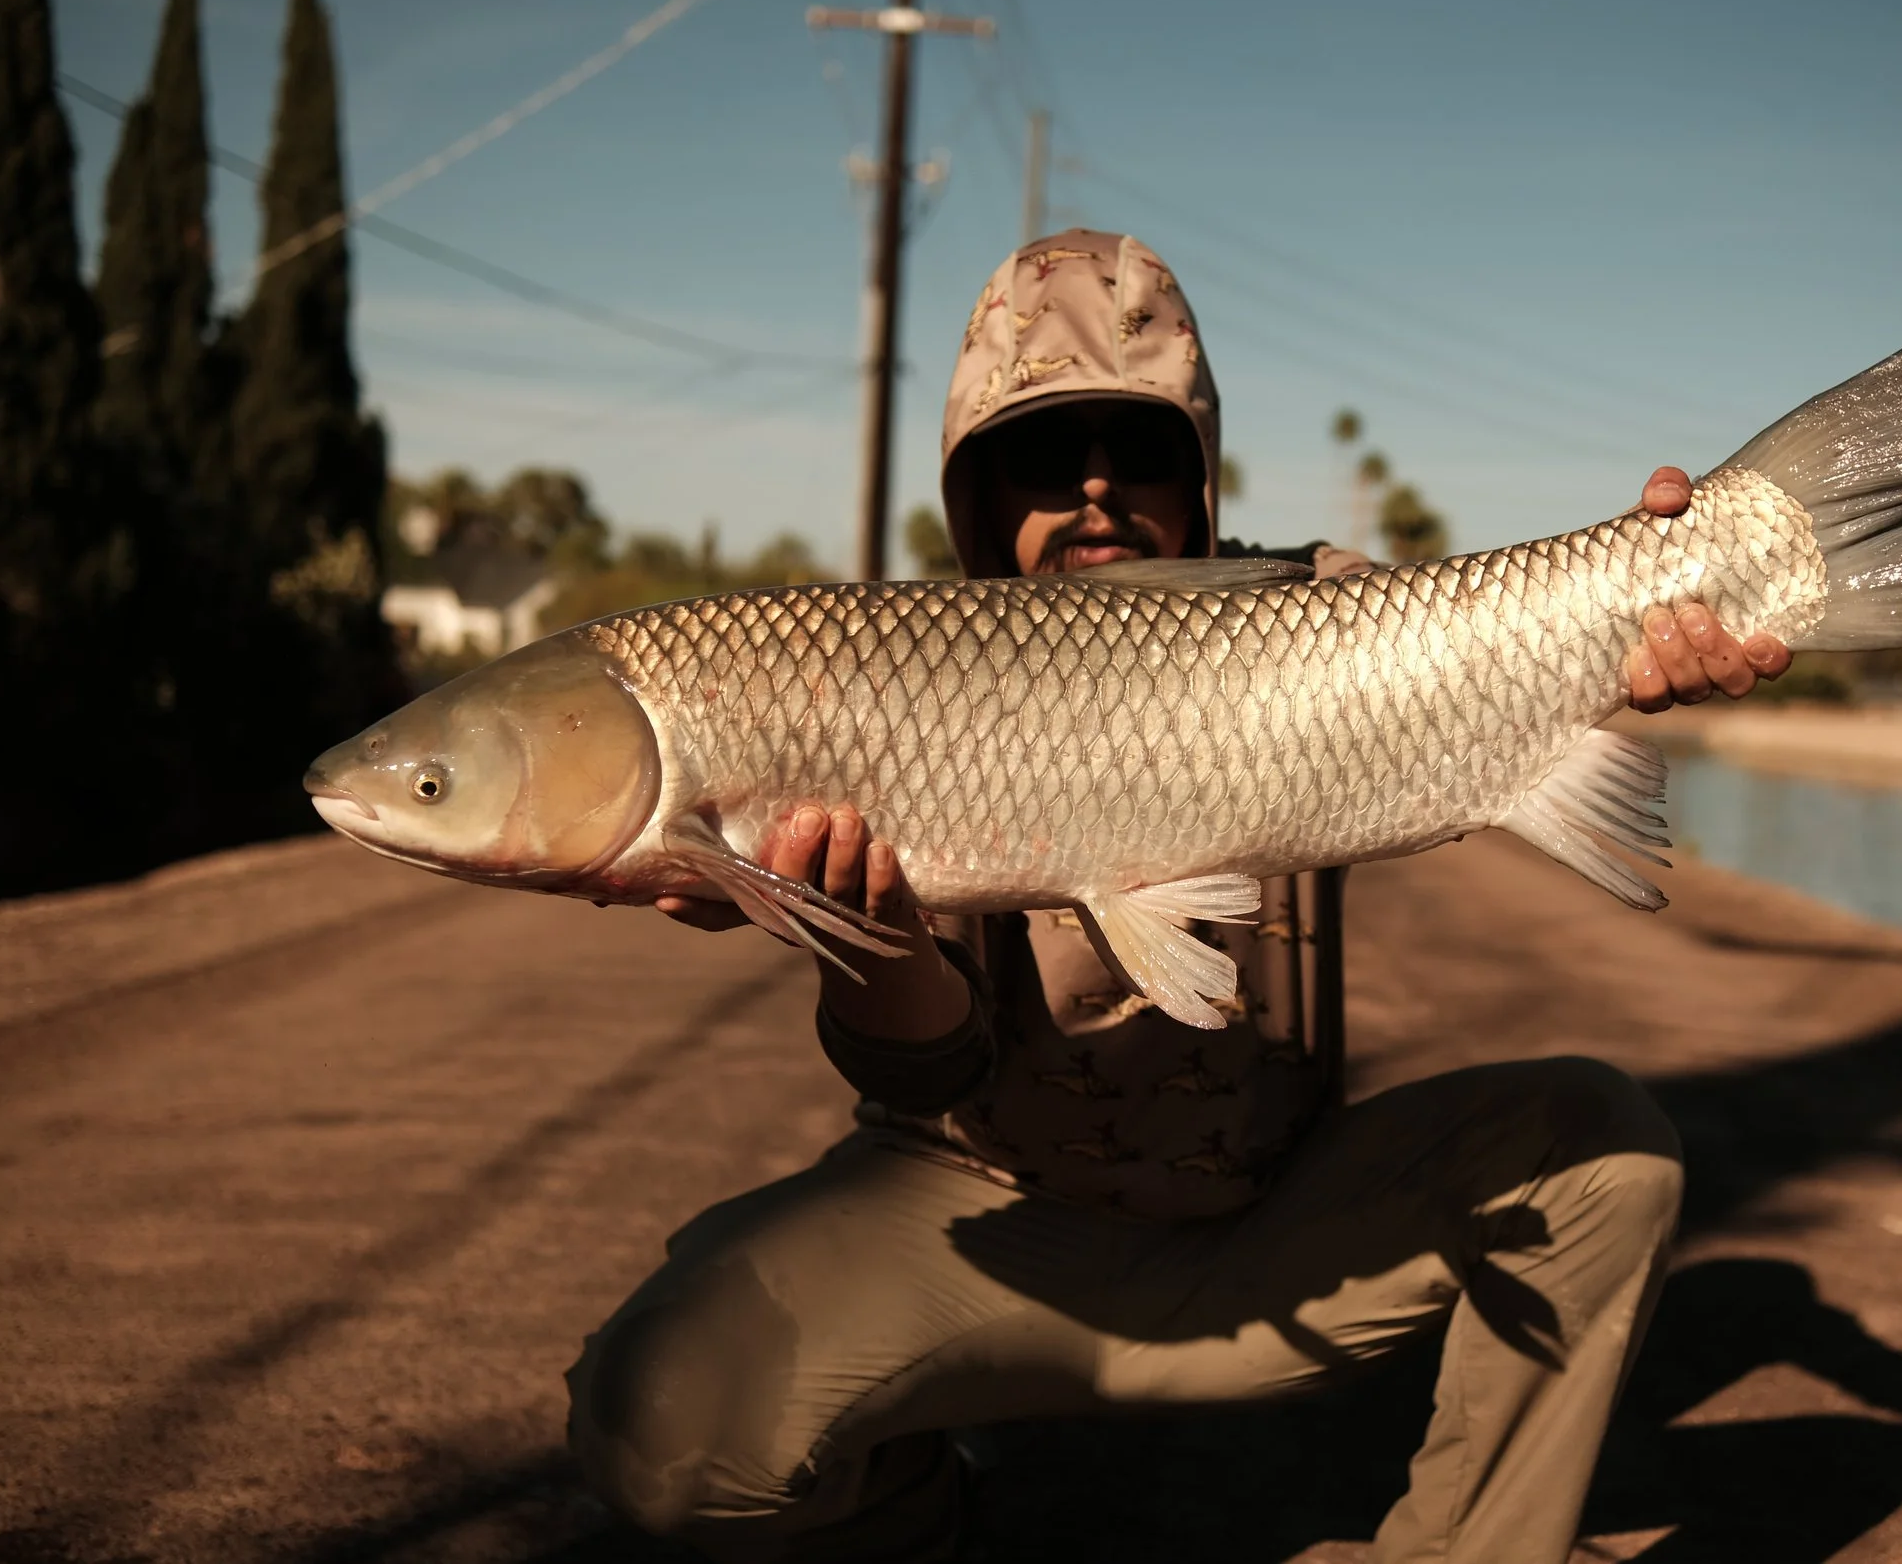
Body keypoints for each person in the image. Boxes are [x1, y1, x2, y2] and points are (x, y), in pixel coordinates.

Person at [566, 230, 1790, 1563]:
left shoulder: (1304, 607)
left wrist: (1666, 585)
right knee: (659, 1421)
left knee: (1610, 1146)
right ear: (976, 493)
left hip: (1276, 1228)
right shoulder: (893, 671)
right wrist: (858, 927)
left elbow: (1500, 632)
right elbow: (922, 1072)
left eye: (1136, 449)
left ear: (1199, 470)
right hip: (982, 1229)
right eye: (1039, 455)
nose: (1093, 491)